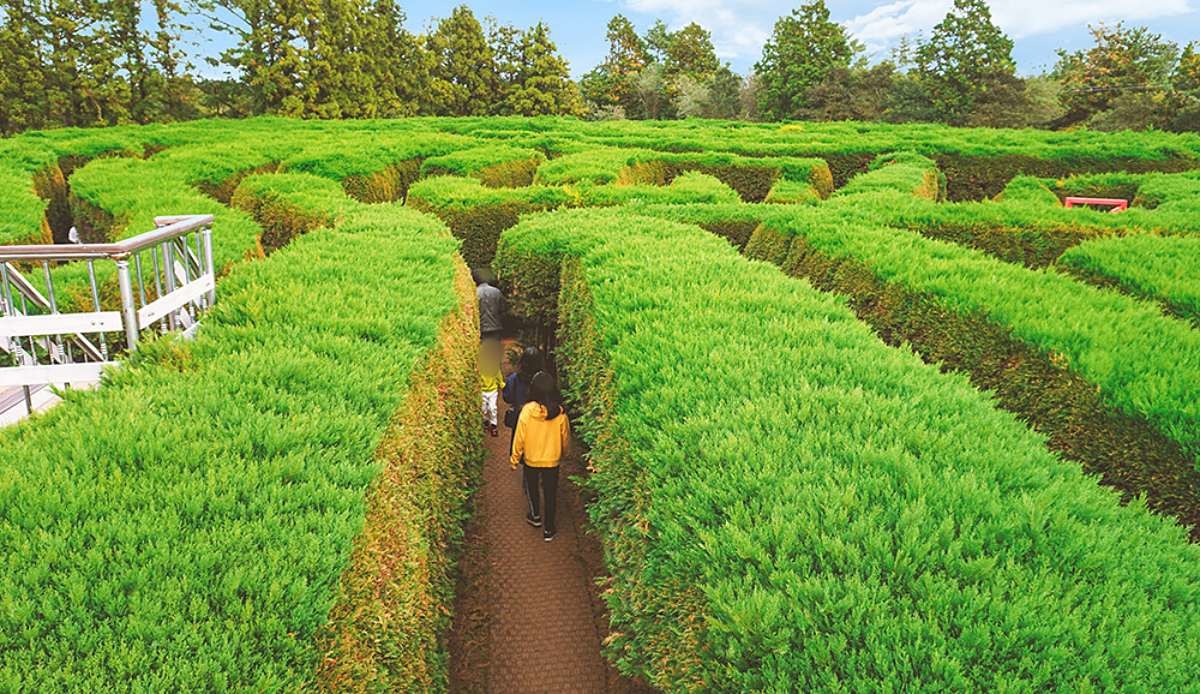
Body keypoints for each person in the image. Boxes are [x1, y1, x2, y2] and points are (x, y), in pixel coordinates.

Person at [510, 371, 570, 542]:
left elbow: (519, 437)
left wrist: (514, 459)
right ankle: (549, 529)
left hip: (531, 459)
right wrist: (565, 453)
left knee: (532, 488)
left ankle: (535, 516)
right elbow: (565, 437)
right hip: (552, 460)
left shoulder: (527, 411)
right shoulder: (559, 412)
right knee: (551, 493)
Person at [502, 346, 543, 453]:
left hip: (520, 417)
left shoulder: (514, 379)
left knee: (522, 449)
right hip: (540, 417)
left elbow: (507, 397)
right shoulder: (544, 378)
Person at [474, 269, 504, 343]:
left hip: (481, 328)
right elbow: (503, 309)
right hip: (495, 326)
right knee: (495, 348)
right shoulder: (497, 292)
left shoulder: (474, 293)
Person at [480, 348, 503, 438]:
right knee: (483, 409)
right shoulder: (480, 368)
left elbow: (498, 376)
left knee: (492, 408)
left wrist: (502, 384)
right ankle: (485, 421)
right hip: (483, 391)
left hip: (493, 391)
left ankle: (494, 425)